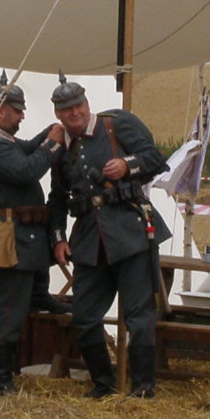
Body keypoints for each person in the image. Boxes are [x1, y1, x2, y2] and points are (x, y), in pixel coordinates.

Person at [48, 78, 168, 398]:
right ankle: (103, 385)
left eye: (78, 105)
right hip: (89, 240)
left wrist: (127, 166)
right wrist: (59, 238)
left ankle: (143, 389)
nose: (74, 113)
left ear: (86, 104)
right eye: (66, 109)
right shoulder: (60, 149)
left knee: (139, 315)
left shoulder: (117, 124)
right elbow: (57, 198)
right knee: (85, 317)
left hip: (130, 232)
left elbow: (156, 159)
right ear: (58, 113)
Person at [0, 75, 63, 394]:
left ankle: (3, 372)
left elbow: (27, 148)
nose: (22, 115)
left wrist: (49, 133)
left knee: (14, 305)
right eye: (16, 110)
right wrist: (54, 143)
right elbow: (27, 169)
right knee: (6, 309)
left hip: (18, 235)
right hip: (6, 237)